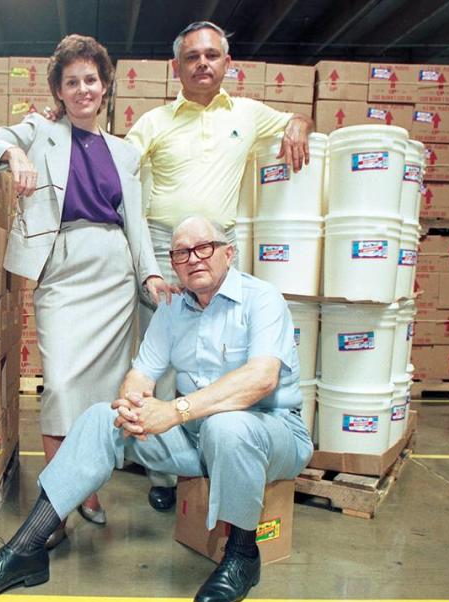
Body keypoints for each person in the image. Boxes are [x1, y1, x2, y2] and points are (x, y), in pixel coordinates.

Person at [0, 215, 314, 602]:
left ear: (228, 253)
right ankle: (27, 548)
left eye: (203, 248)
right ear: (172, 264)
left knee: (229, 427)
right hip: (197, 440)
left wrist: (174, 410)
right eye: (181, 253)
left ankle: (243, 555)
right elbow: (141, 373)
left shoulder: (262, 298)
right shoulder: (173, 310)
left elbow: (261, 378)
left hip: (270, 433)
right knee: (98, 418)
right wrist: (132, 405)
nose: (193, 259)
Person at [0, 35, 173, 548]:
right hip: (62, 269)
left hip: (115, 274)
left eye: (91, 80)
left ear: (105, 88)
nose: (83, 89)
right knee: (59, 385)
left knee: (102, 396)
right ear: (59, 89)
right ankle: (53, 506)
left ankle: (89, 489)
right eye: (72, 81)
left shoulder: (125, 153)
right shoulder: (40, 130)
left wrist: (148, 274)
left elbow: (137, 223)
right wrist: (13, 151)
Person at [125, 21, 315, 512]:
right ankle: (167, 476)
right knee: (165, 361)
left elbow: (298, 121)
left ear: (228, 63)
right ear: (177, 68)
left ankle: (225, 445)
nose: (203, 63)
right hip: (167, 245)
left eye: (212, 55)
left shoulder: (248, 114)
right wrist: (146, 260)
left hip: (217, 245)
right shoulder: (154, 121)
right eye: (192, 57)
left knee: (225, 358)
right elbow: (119, 173)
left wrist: (299, 124)